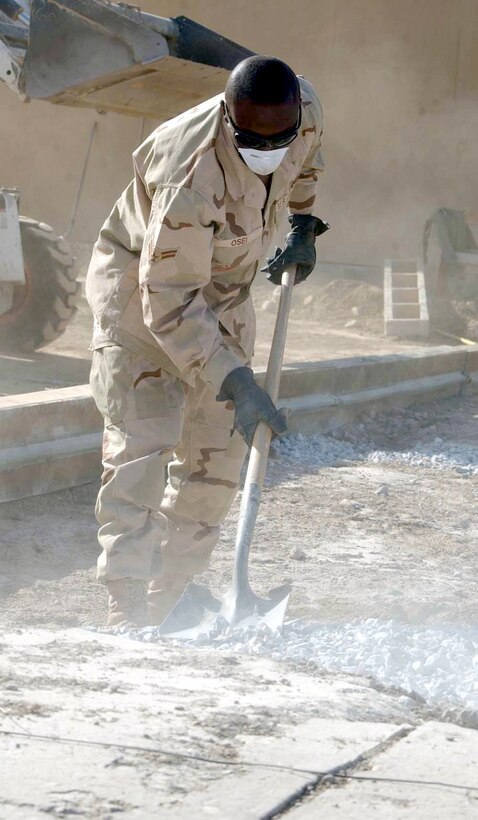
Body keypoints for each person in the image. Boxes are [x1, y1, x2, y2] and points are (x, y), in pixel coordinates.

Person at [86, 55, 327, 627]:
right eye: (250, 138)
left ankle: (171, 595)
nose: (266, 148)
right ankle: (127, 605)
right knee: (142, 449)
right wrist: (236, 379)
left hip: (224, 299)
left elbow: (307, 164)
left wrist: (302, 225)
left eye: (280, 136)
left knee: (218, 459)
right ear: (228, 116)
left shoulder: (307, 111)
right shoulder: (188, 171)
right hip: (143, 306)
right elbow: (166, 298)